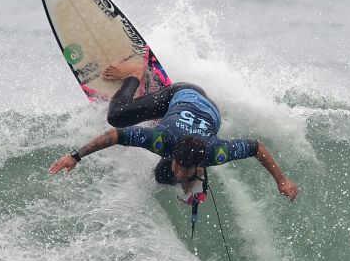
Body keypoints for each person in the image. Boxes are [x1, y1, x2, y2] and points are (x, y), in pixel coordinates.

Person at [49, 66, 297, 203]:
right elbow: (113, 135)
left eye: (186, 170)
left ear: (200, 163)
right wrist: (76, 156)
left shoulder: (214, 152)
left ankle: (191, 178)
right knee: (116, 115)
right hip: (180, 94)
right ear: (172, 155)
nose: (180, 171)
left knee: (162, 176)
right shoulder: (160, 139)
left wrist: (281, 180)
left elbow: (257, 147)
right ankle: (134, 73)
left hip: (208, 111)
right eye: (180, 167)